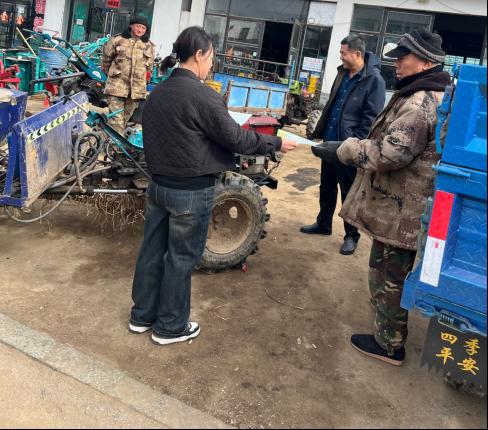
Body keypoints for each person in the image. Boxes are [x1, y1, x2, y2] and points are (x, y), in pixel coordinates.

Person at [129, 26, 297, 346]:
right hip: (190, 192)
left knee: (152, 251)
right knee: (180, 257)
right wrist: (274, 143)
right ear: (199, 55)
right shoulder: (203, 95)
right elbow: (236, 139)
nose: (211, 65)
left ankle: (142, 316)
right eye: (211, 58)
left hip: (158, 186)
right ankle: (170, 327)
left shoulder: (158, 93)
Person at [314, 29, 451, 365]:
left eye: (404, 58)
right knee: (390, 270)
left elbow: (390, 154)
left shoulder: (419, 102)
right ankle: (387, 322)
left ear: (426, 62)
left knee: (388, 273)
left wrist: (345, 149)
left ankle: (390, 345)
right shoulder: (427, 93)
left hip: (403, 209)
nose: (397, 64)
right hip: (405, 203)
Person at [301, 35, 386, 256]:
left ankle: (351, 236)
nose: (340, 57)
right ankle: (323, 224)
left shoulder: (374, 81)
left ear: (357, 54)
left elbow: (371, 119)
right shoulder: (342, 73)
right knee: (326, 186)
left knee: (349, 192)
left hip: (349, 148)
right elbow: (332, 105)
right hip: (330, 142)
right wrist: (322, 133)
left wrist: (355, 145)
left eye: (343, 53)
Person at [102, 16, 155, 134]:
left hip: (135, 92)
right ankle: (114, 144)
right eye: (138, 26)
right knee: (116, 121)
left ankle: (108, 141)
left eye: (143, 28)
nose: (140, 30)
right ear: (131, 25)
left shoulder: (148, 45)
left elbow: (149, 68)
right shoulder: (117, 40)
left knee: (123, 121)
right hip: (116, 87)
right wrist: (113, 75)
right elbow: (106, 61)